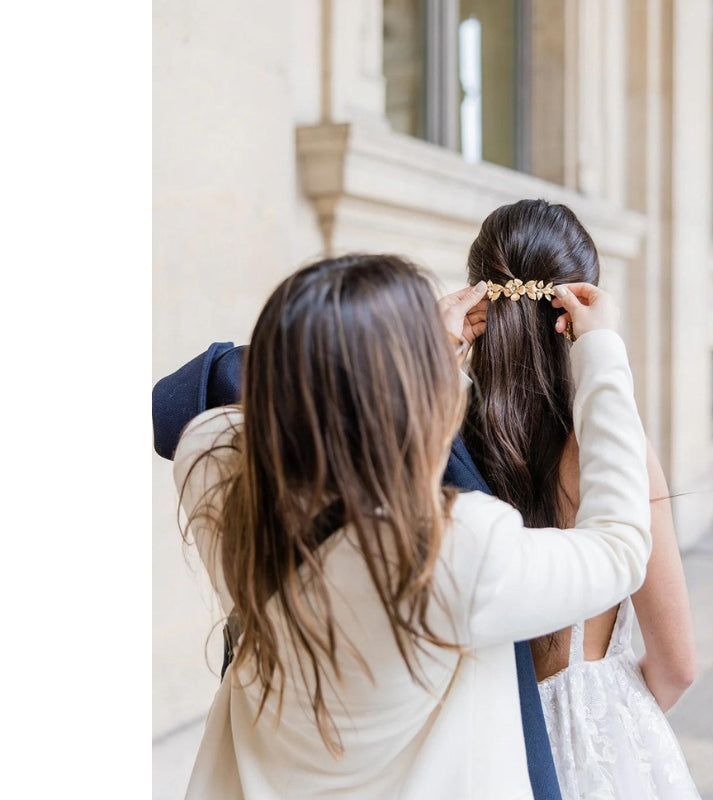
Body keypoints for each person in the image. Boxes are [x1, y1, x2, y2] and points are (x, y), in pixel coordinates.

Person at [171, 254, 651, 798]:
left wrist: (413, 361)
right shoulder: (450, 551)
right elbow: (619, 546)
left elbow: (205, 404)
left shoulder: (216, 467)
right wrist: (604, 354)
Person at [463, 199, 699, 799]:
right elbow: (676, 666)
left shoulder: (439, 439)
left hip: (478, 742)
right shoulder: (614, 452)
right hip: (601, 736)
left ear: (476, 301)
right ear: (577, 307)